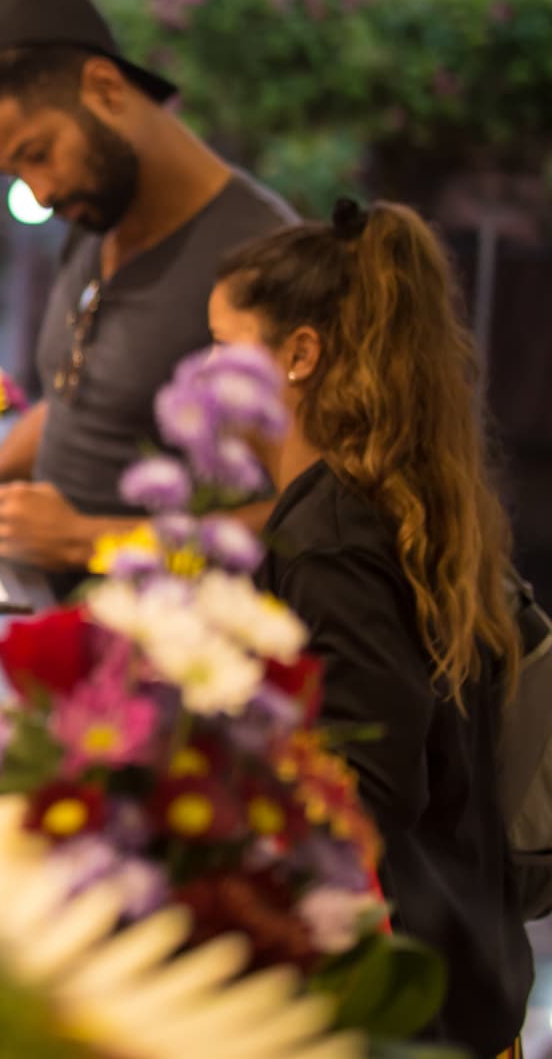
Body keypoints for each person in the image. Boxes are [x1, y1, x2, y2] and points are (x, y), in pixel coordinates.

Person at [210, 198, 530, 1056]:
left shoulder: (330, 537)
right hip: (468, 968)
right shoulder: (384, 498)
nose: (201, 373)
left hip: (412, 999)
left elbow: (370, 783)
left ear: (300, 355)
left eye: (221, 346)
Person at [0, 0, 294, 575]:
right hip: (35, 595)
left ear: (105, 87)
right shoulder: (97, 217)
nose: (39, 193)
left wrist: (90, 541)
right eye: (15, 173)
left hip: (159, 622)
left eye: (38, 153)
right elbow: (75, 401)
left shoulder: (265, 257)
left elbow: (311, 515)